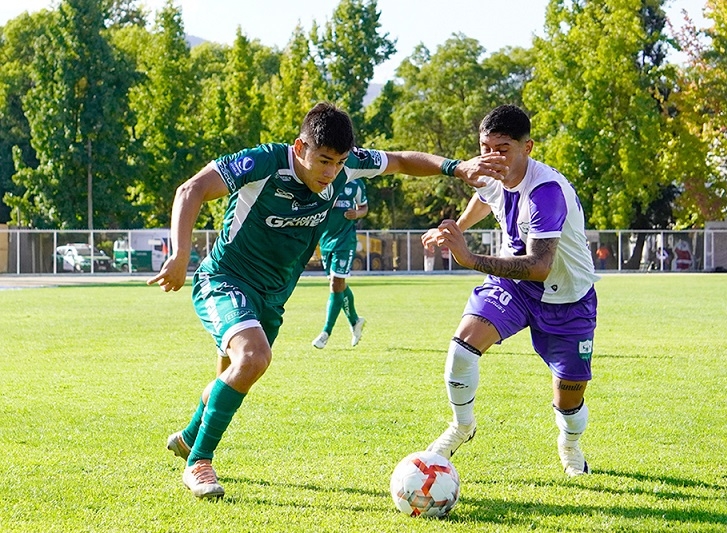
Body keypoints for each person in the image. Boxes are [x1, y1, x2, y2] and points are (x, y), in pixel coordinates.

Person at [147, 102, 500, 499]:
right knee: (253, 359)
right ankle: (199, 461)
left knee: (231, 377)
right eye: (324, 160)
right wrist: (179, 255)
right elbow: (190, 189)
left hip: (273, 296)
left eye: (339, 163)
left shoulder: (348, 167)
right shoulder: (263, 163)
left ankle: (188, 438)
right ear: (301, 147)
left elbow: (400, 161)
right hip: (226, 279)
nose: (331, 173)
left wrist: (457, 167)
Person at [421, 104, 600, 477]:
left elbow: (539, 266)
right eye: (485, 147)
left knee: (569, 398)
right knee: (463, 347)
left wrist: (469, 259)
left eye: (502, 149)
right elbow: (485, 197)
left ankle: (569, 443)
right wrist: (455, 227)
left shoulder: (546, 192)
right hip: (513, 287)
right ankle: (462, 426)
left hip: (566, 297)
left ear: (527, 147)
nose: (491, 158)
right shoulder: (489, 171)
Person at [311, 178, 368, 349]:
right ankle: (355, 321)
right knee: (338, 284)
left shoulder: (356, 184)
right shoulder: (323, 180)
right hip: (326, 241)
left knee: (336, 283)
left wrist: (357, 214)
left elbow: (364, 207)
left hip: (345, 241)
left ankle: (325, 333)